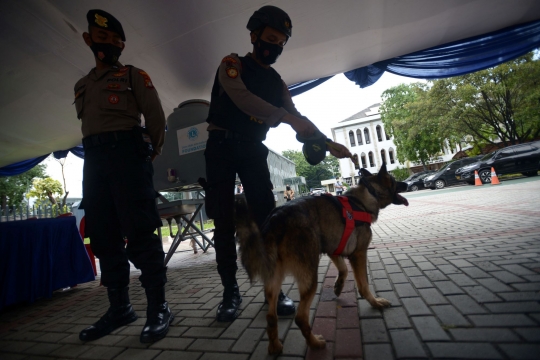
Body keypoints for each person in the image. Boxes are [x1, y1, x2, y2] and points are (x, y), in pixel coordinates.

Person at [203, 5, 352, 322]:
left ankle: (275, 291)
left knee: (267, 221)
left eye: (281, 43)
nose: (276, 47)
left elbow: (297, 118)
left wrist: (325, 141)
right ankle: (230, 293)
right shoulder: (232, 65)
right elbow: (242, 99)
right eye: (271, 39)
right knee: (223, 222)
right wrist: (284, 118)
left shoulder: (277, 82)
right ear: (255, 35)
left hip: (253, 149)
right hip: (220, 146)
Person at [74, 10, 173, 343]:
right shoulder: (82, 85)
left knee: (141, 230)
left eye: (116, 41)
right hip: (95, 161)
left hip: (127, 156)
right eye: (102, 39)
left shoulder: (134, 75)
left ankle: (159, 308)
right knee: (103, 235)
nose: (110, 45)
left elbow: (156, 118)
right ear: (89, 40)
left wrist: (150, 153)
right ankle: (119, 309)